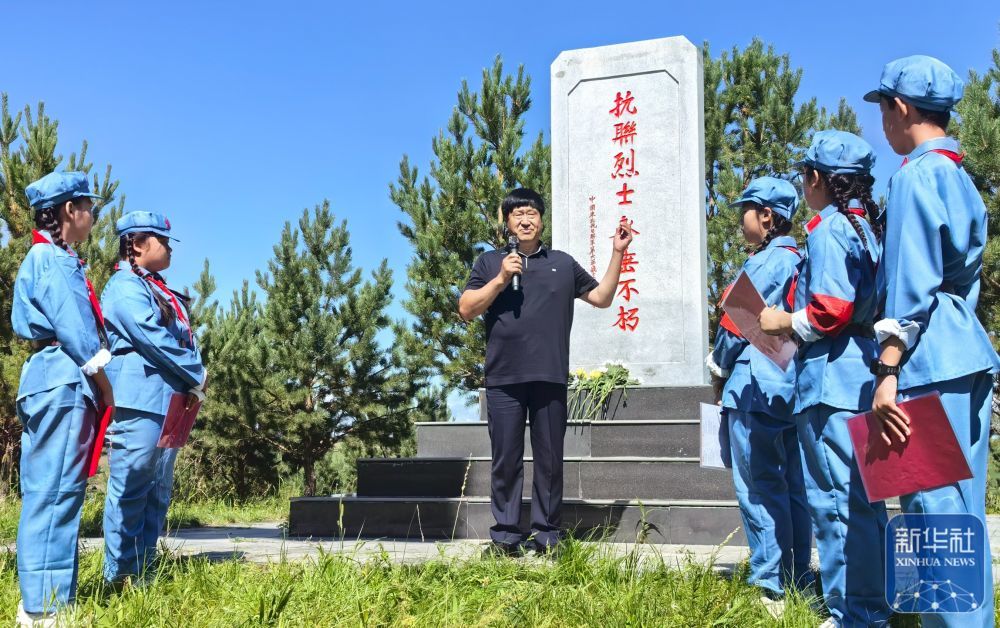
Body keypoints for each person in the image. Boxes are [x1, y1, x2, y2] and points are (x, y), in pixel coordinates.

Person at [865, 55, 1000, 627]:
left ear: (900, 108)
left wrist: (887, 369)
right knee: (963, 513)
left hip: (925, 361)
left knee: (932, 513)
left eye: (884, 111)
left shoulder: (915, 175)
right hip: (965, 350)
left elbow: (911, 286)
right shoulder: (959, 175)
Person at [760, 130, 890, 627]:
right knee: (865, 498)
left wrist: (782, 322)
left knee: (836, 501)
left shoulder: (829, 228)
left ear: (816, 178)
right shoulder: (868, 226)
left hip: (831, 376)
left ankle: (854, 613)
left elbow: (830, 309)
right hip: (863, 370)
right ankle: (873, 604)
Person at [458, 188, 632, 555]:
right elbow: (467, 308)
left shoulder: (562, 264)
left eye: (532, 213)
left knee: (550, 459)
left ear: (541, 219)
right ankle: (505, 536)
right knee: (505, 459)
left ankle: (547, 536)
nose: (525, 220)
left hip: (550, 375)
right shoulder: (491, 262)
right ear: (506, 222)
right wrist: (501, 279)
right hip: (504, 378)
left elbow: (601, 298)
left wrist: (618, 253)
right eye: (517, 214)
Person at [13, 171, 114, 626]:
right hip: (65, 377)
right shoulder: (52, 258)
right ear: (70, 211)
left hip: (48, 376)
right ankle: (45, 610)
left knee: (49, 492)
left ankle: (42, 601)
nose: (93, 215)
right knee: (56, 493)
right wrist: (101, 377)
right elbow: (75, 328)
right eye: (89, 207)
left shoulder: (52, 256)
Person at [708, 177, 812, 611]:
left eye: (745, 212)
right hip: (791, 386)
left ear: (766, 216)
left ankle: (770, 584)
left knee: (758, 488)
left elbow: (736, 327)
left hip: (754, 386)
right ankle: (799, 577)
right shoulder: (802, 258)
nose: (741, 222)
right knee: (794, 488)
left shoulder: (765, 263)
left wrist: (718, 368)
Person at [100, 211, 206, 584]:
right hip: (141, 396)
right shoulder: (125, 285)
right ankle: (117, 573)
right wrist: (198, 373)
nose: (170, 249)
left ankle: (145, 568)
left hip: (172, 399)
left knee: (158, 489)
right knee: (131, 485)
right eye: (163, 241)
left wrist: (191, 383)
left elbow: (180, 338)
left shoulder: (159, 287)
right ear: (138, 243)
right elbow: (150, 337)